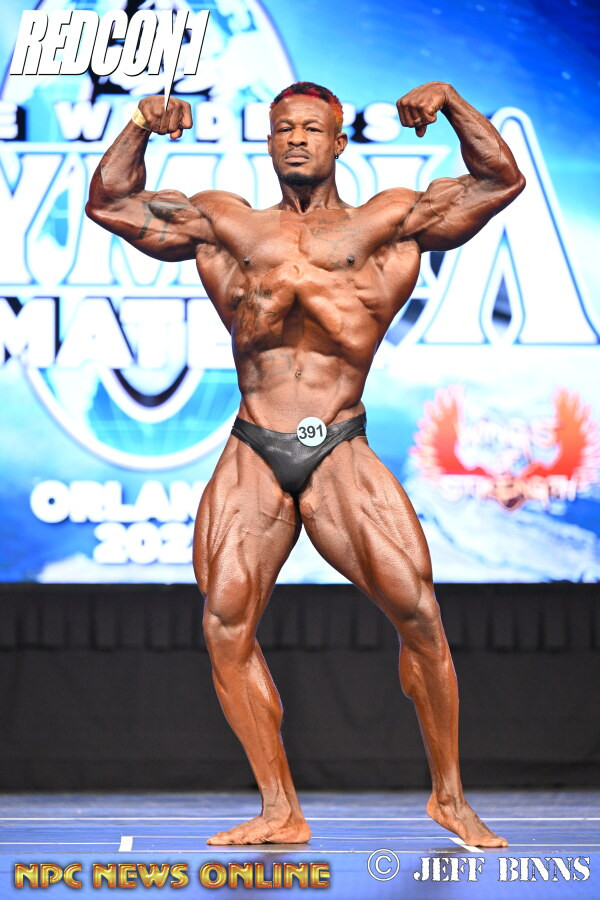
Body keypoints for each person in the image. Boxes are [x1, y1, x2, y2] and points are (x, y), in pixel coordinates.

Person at [86, 80, 525, 847]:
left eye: (312, 129)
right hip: (254, 445)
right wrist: (138, 123)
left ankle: (450, 798)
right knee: (225, 624)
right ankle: (280, 810)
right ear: (267, 141)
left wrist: (453, 103)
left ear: (338, 142)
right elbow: (111, 203)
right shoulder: (225, 223)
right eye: (283, 127)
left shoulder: (388, 222)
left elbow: (500, 181)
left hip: (339, 443)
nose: (296, 138)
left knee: (420, 614)